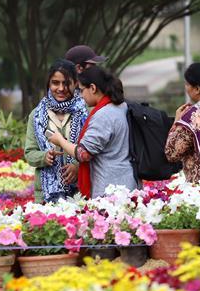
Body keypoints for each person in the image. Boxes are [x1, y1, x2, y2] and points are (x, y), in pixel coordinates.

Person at [47, 66, 137, 198]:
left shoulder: (104, 115)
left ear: (93, 88)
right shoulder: (121, 106)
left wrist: (60, 140)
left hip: (111, 191)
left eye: (82, 90)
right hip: (128, 183)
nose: (81, 95)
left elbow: (83, 154)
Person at [24, 60, 88, 202]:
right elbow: (29, 153)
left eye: (66, 83)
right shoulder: (37, 115)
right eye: (55, 83)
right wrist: (44, 157)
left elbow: (94, 150)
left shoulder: (85, 112)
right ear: (48, 83)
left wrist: (77, 167)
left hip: (80, 192)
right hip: (45, 196)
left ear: (75, 83)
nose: (61, 88)